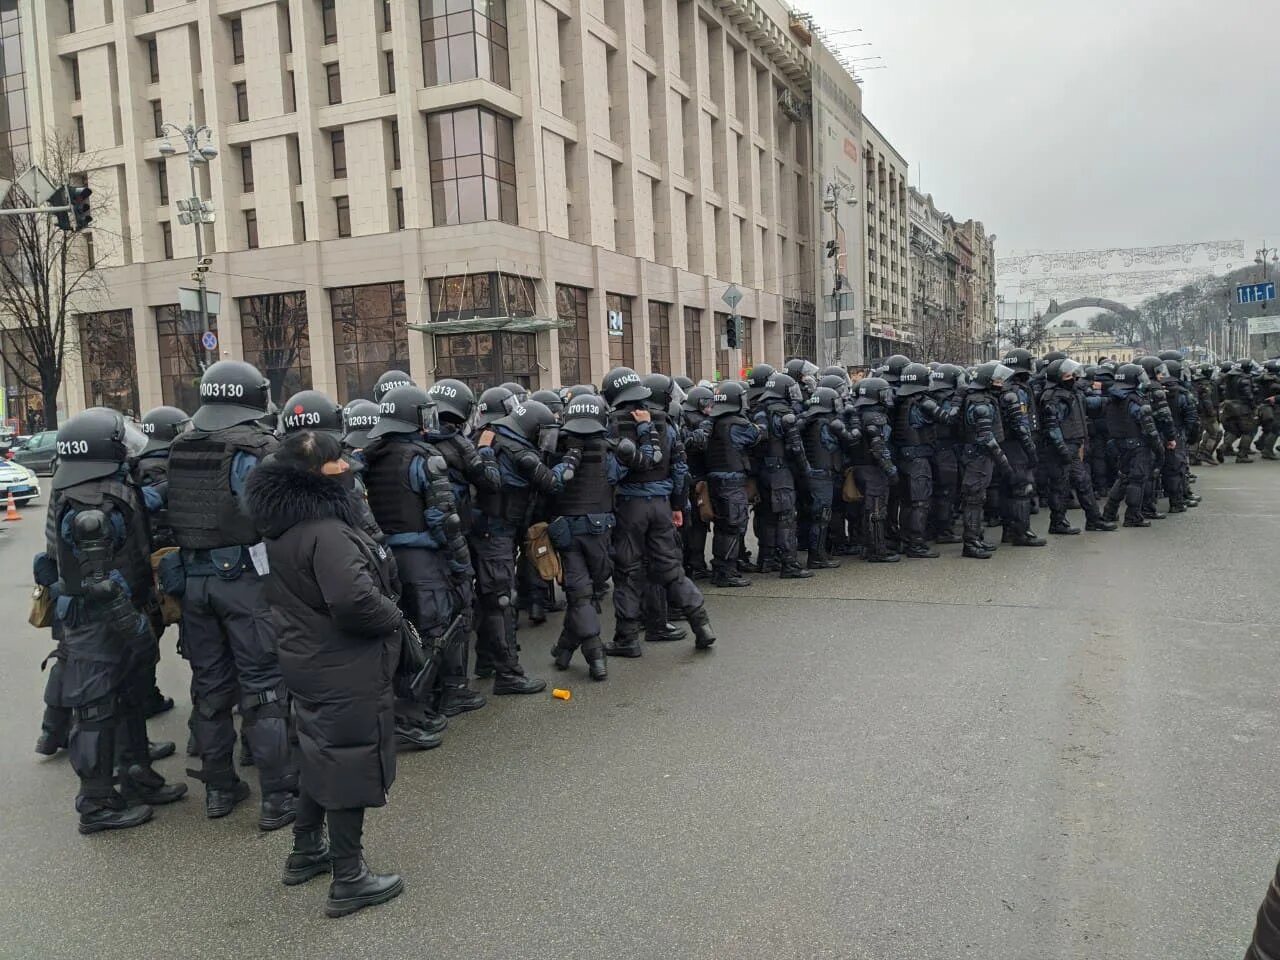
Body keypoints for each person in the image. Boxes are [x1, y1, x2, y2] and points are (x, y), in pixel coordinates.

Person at [245, 430, 405, 919]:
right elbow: (354, 601)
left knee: (320, 751)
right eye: (338, 460)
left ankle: (306, 849)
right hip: (343, 664)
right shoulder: (326, 532)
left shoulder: (280, 528)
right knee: (349, 758)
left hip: (305, 658)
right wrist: (393, 615)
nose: (348, 466)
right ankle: (349, 877)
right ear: (318, 476)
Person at [166, 360, 297, 828]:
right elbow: (276, 516)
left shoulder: (182, 444)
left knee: (210, 687)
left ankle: (219, 789)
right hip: (244, 581)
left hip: (194, 580)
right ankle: (279, 797)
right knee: (263, 689)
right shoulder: (257, 447)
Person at [46, 408, 188, 833]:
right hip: (100, 621)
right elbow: (100, 583)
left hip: (119, 613)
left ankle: (135, 773)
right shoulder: (89, 506)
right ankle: (97, 803)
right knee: (95, 708)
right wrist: (135, 627)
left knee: (126, 698)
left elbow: (137, 506)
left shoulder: (97, 485)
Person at [362, 384, 473, 745]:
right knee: (432, 631)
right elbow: (445, 520)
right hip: (421, 558)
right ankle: (410, 713)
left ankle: (415, 709)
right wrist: (461, 566)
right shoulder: (424, 459)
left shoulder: (369, 456)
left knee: (401, 634)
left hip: (382, 559)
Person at [602, 367, 716, 656]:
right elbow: (681, 469)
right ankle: (701, 625)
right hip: (662, 506)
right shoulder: (666, 422)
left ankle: (627, 639)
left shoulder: (611, 425)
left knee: (628, 572)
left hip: (629, 507)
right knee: (670, 569)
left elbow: (609, 474)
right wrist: (678, 505)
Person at [547, 393, 638, 680]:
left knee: (579, 595)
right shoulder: (606, 449)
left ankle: (563, 650)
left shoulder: (557, 446)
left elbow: (547, 482)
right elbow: (617, 474)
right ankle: (594, 654)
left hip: (568, 530)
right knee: (584, 594)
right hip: (599, 529)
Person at [1039, 358, 1116, 533]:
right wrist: (1062, 449)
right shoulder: (1054, 398)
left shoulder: (1072, 393)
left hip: (1072, 447)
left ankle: (1094, 520)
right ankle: (1057, 523)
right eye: (1068, 374)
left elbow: (1088, 404)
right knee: (1060, 486)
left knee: (1083, 482)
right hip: (1062, 449)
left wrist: (1109, 400)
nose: (1072, 377)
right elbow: (1052, 427)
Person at [699, 380, 761, 587]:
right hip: (732, 481)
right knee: (733, 526)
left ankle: (721, 569)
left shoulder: (712, 421)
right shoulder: (736, 423)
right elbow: (756, 436)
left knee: (723, 527)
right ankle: (726, 572)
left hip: (715, 479)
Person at [958, 363, 1014, 560]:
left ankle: (976, 539)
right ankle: (971, 543)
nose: (1000, 383)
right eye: (997, 380)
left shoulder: (983, 398)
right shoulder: (980, 402)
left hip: (980, 456)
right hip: (978, 456)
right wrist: (1003, 461)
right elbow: (986, 437)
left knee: (978, 498)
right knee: (973, 498)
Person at [1101, 363, 1163, 528]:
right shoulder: (1135, 400)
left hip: (1120, 444)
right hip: (1138, 444)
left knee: (1123, 477)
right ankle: (1133, 516)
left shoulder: (1113, 397)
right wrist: (1158, 447)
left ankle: (1109, 512)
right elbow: (1149, 428)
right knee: (1137, 480)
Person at [847, 376, 902, 563]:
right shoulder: (874, 417)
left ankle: (868, 546)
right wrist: (890, 469)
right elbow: (878, 447)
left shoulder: (859, 413)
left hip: (861, 467)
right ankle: (877, 550)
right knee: (876, 510)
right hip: (873, 469)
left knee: (869, 509)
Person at [998, 349, 1046, 547]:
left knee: (1009, 489)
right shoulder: (1017, 391)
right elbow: (1021, 424)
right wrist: (1030, 449)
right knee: (1021, 488)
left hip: (1007, 445)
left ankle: (1009, 530)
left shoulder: (1005, 387)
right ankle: (1021, 533)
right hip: (1017, 446)